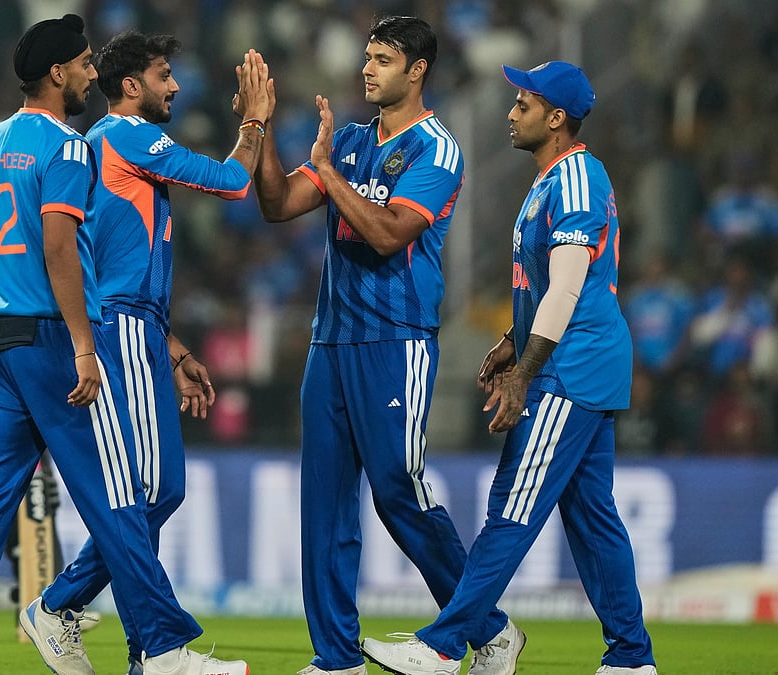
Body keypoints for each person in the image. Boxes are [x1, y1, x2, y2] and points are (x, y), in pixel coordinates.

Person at [0, 14, 248, 675]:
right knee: (119, 494)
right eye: (87, 64)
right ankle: (166, 650)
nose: (93, 74)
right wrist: (85, 346)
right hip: (53, 338)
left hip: (0, 337)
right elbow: (59, 244)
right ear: (58, 72)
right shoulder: (67, 147)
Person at [360, 60, 658, 675]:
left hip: (569, 370)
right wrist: (510, 341)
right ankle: (631, 657)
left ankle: (444, 645)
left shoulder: (575, 180)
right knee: (593, 518)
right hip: (577, 361)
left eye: (523, 104)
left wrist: (525, 371)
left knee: (512, 509)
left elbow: (569, 287)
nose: (510, 112)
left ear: (555, 118)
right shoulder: (557, 177)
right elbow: (549, 284)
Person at [27, 30, 271, 675]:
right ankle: (82, 616)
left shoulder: (97, 149)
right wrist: (254, 122)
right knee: (155, 488)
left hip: (136, 327)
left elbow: (110, 267)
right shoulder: (127, 135)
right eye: (165, 73)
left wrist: (171, 345)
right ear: (131, 86)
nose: (176, 85)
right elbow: (228, 182)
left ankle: (138, 652)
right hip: (122, 331)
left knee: (148, 492)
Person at [248, 16, 471, 675]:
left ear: (418, 69)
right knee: (323, 502)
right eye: (367, 56)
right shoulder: (346, 142)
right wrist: (258, 129)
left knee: (399, 488)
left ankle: (483, 625)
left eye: (382, 59)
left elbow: (387, 234)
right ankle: (336, 656)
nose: (367, 68)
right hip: (331, 340)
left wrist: (329, 175)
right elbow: (278, 202)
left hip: (396, 338)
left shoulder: (436, 149)